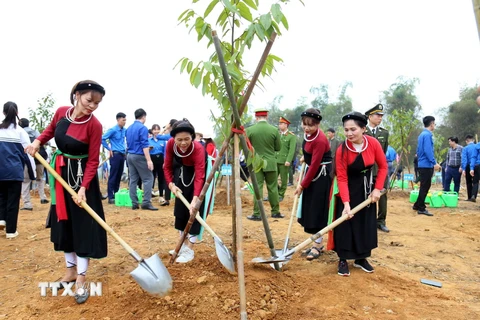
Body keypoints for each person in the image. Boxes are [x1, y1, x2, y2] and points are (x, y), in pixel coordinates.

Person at [25, 80, 107, 304]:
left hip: (83, 181)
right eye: (90, 100)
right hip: (60, 175)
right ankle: (70, 272)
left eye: (97, 103)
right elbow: (50, 131)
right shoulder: (62, 112)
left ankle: (81, 277)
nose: (92, 106)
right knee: (65, 223)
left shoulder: (94, 125)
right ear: (77, 95)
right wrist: (37, 142)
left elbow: (92, 161)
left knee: (82, 226)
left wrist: (82, 189)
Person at [333, 111, 387, 276]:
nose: (349, 133)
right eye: (346, 130)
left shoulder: (373, 143)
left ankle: (361, 258)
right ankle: (343, 258)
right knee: (345, 224)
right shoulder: (342, 150)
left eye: (353, 129)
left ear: (363, 129)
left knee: (365, 223)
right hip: (347, 189)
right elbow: (341, 178)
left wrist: (377, 189)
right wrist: (346, 204)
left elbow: (383, 166)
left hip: (367, 190)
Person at [164, 119, 207, 263]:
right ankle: (181, 245)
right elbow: (167, 166)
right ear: (173, 139)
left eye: (187, 139)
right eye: (179, 140)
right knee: (181, 212)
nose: (183, 143)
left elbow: (200, 174)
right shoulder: (170, 144)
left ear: (193, 138)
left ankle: (189, 249)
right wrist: (171, 184)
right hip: (180, 177)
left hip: (196, 178)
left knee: (194, 212)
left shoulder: (199, 149)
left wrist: (196, 198)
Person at [294, 108, 332, 260]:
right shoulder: (308, 135)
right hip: (312, 173)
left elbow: (315, 164)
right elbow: (310, 154)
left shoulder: (320, 140)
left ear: (318, 124)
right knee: (310, 210)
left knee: (317, 211)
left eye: (311, 125)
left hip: (321, 177)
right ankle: (316, 243)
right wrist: (305, 157)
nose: (307, 128)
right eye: (304, 124)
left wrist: (302, 185)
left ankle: (317, 246)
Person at [0, 102, 35, 239]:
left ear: (3, 113)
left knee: (1, 196)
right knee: (13, 200)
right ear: (17, 113)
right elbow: (29, 154)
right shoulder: (21, 132)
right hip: (14, 172)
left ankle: (1, 219)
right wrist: (32, 174)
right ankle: (11, 231)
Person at [246, 108, 282, 220]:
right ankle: (275, 212)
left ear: (256, 117)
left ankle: (257, 213)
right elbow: (278, 147)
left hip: (256, 163)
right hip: (271, 162)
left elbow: (247, 147)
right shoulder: (274, 130)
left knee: (258, 187)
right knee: (273, 187)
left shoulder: (250, 130)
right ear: (266, 117)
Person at [125, 108, 157, 211]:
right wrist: (149, 160)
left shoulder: (129, 128)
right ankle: (146, 202)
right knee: (148, 178)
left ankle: (134, 203)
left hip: (130, 155)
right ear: (143, 116)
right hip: (139, 156)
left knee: (133, 179)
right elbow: (144, 144)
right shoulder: (143, 128)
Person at [365, 104, 390, 233]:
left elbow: (383, 152)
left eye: (381, 116)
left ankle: (381, 221)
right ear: (370, 117)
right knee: (366, 195)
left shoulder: (384, 133)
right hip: (366, 169)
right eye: (377, 115)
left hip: (380, 170)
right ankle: (367, 221)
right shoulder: (363, 132)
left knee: (382, 195)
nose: (380, 118)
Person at [412, 116, 441, 216]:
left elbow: (419, 150)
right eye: (434, 123)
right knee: (425, 186)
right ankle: (421, 208)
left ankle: (417, 204)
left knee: (424, 185)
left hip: (422, 163)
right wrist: (434, 163)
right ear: (432, 123)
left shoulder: (421, 134)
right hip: (426, 165)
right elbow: (428, 150)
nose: (434, 125)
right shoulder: (427, 135)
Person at [18, 118, 49, 209]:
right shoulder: (35, 132)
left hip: (27, 159)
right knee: (40, 179)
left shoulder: (20, 132)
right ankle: (43, 197)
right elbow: (46, 142)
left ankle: (27, 204)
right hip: (40, 158)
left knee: (25, 181)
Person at [101, 112, 127, 204]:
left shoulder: (124, 130)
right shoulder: (113, 130)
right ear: (118, 120)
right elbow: (102, 138)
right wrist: (109, 148)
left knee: (119, 175)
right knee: (113, 175)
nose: (125, 122)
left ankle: (116, 194)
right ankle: (110, 196)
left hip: (122, 155)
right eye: (123, 120)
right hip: (115, 155)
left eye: (125, 120)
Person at [149, 124, 170, 206]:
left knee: (161, 178)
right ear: (152, 131)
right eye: (154, 130)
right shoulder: (149, 140)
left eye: (158, 129)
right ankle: (149, 195)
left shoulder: (162, 141)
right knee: (151, 178)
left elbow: (165, 152)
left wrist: (165, 162)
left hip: (161, 160)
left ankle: (161, 196)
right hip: (152, 159)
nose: (156, 131)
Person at [276, 116, 297, 201]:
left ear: (286, 125)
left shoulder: (291, 136)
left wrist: (288, 160)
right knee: (272, 179)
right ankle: (274, 193)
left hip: (284, 161)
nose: (279, 125)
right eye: (279, 123)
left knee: (284, 180)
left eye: (281, 123)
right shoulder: (277, 134)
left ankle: (281, 195)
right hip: (275, 160)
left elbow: (291, 150)